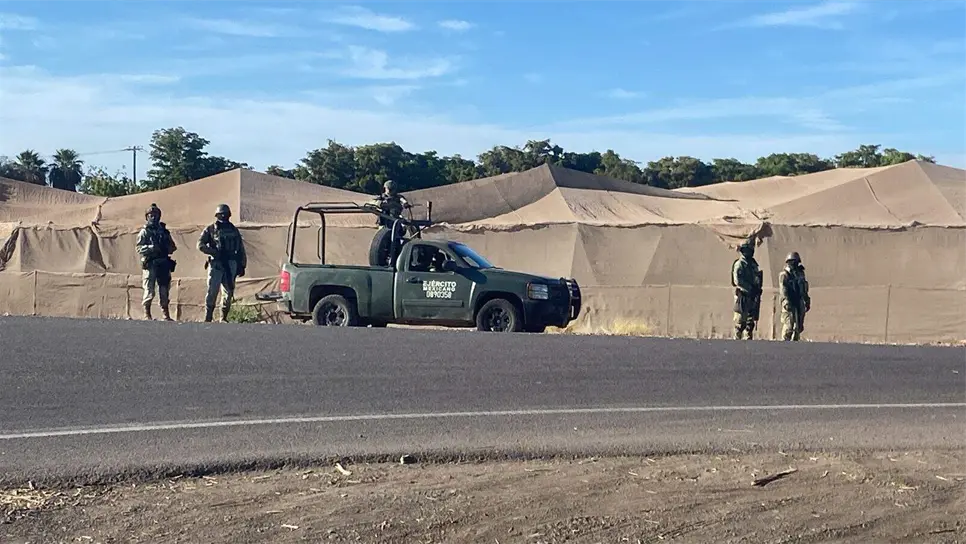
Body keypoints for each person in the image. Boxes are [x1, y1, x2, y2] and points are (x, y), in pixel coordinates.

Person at [197, 204, 247, 322]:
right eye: (221, 214)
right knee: (212, 291)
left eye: (226, 214)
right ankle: (208, 317)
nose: (224, 216)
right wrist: (213, 252)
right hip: (216, 264)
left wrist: (242, 265)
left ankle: (223, 317)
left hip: (230, 263)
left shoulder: (233, 230)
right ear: (217, 215)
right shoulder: (211, 229)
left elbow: (240, 248)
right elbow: (200, 245)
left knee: (228, 292)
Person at [135, 203, 177, 321]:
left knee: (164, 289)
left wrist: (167, 247)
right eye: (151, 215)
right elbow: (139, 248)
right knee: (149, 289)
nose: (153, 217)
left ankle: (166, 314)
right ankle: (147, 314)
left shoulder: (164, 231)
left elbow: (172, 246)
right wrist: (151, 248)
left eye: (156, 215)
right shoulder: (144, 232)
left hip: (163, 263)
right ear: (147, 217)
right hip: (150, 263)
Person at [731, 238, 763, 340]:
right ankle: (736, 343)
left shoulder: (753, 264)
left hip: (752, 297)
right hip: (743, 296)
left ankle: (748, 343)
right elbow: (738, 281)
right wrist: (750, 288)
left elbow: (757, 278)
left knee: (750, 324)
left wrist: (757, 289)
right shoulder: (740, 264)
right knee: (740, 323)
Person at [779, 252, 811, 341]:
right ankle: (784, 343)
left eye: (796, 262)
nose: (794, 264)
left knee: (798, 327)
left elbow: (804, 288)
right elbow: (783, 290)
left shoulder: (800, 274)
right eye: (792, 262)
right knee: (789, 325)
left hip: (798, 301)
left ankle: (795, 344)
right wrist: (786, 302)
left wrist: (806, 300)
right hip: (789, 301)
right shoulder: (784, 275)